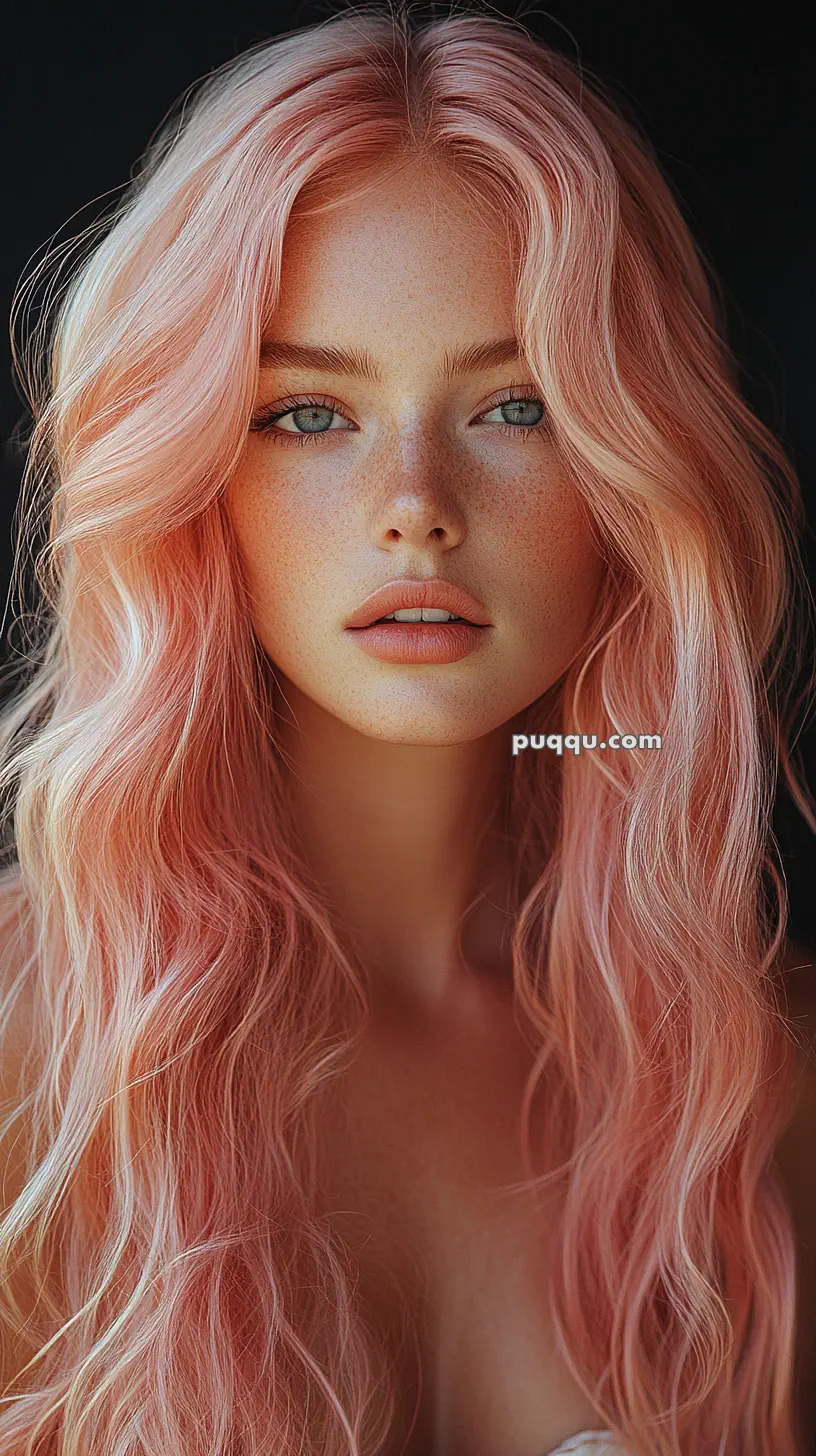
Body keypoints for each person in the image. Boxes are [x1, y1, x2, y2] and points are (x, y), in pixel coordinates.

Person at [0, 3, 814, 1453]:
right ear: (193, 473)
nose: (416, 502)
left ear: (634, 472)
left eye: (517, 405)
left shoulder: (755, 1081)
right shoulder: (30, 1064)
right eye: (308, 415)